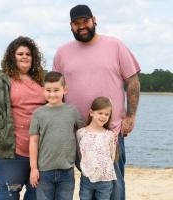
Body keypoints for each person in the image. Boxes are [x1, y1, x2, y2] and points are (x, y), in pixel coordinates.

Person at [53, 4, 140, 200]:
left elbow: (133, 80)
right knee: (88, 183)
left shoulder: (115, 45)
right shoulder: (62, 52)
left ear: (94, 20)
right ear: (71, 25)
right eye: (76, 23)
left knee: (114, 183)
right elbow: (57, 90)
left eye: (85, 21)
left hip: (112, 131)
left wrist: (131, 116)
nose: (81, 26)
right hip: (79, 133)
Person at [0, 36, 46, 200]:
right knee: (11, 190)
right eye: (20, 53)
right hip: (9, 150)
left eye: (28, 54)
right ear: (11, 57)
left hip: (40, 148)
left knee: (37, 192)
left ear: (34, 58)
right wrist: (2, 137)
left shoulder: (43, 79)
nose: (24, 56)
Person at [29, 71, 84, 200]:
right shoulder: (38, 113)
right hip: (44, 171)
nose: (52, 94)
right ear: (43, 90)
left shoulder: (72, 111)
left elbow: (83, 133)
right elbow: (33, 142)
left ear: (64, 90)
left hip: (67, 170)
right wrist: (33, 168)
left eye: (56, 90)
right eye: (48, 90)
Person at [77, 97, 117, 200]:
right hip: (87, 178)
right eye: (100, 113)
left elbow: (111, 156)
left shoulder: (109, 135)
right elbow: (79, 154)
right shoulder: (81, 133)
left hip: (105, 180)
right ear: (91, 112)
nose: (103, 116)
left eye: (106, 114)